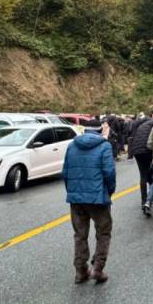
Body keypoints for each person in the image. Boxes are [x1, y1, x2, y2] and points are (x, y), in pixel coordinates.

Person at [62, 119, 116, 284]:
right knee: (103, 233)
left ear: (84, 131)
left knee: (80, 235)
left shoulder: (72, 146)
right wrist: (110, 191)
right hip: (98, 198)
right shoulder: (105, 146)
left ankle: (80, 271)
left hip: (76, 199)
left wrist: (72, 191)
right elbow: (109, 172)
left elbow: (65, 172)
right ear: (100, 130)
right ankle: (98, 269)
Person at [129, 110, 153, 207]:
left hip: (136, 150)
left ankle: (143, 200)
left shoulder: (139, 125)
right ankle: (152, 193)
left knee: (143, 175)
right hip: (147, 150)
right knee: (150, 171)